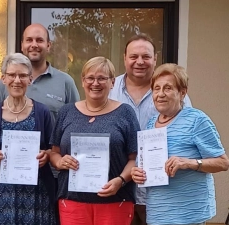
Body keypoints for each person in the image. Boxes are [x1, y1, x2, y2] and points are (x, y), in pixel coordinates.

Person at [109, 33, 192, 225]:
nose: (140, 62)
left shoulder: (172, 93)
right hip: (118, 192)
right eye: (133, 56)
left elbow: (187, 131)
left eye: (146, 57)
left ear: (155, 59)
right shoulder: (109, 89)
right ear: (124, 58)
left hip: (162, 194)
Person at [131, 63, 229, 225]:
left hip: (188, 213)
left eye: (168, 88)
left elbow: (223, 163)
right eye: (156, 89)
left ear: (182, 93)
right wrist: (137, 173)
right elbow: (147, 164)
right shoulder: (150, 124)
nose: (160, 94)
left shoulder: (197, 120)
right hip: (157, 212)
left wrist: (188, 162)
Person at [50, 56, 140, 225]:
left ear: (112, 82)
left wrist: (120, 180)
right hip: (72, 200)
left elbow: (135, 157)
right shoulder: (67, 112)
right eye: (90, 78)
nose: (95, 83)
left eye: (102, 78)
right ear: (83, 81)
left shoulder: (125, 113)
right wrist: (60, 161)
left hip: (115, 200)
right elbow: (54, 152)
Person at [0, 53, 56, 225]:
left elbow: (54, 149)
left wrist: (46, 155)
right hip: (3, 194)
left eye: (23, 75)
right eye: (11, 75)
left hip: (37, 193)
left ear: (30, 79)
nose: (17, 80)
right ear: (3, 78)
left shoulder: (42, 112)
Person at [0, 23, 79, 124]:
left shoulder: (65, 82)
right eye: (29, 40)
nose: (34, 45)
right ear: (22, 45)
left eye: (39, 40)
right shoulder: (6, 83)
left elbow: (75, 122)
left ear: (48, 46)